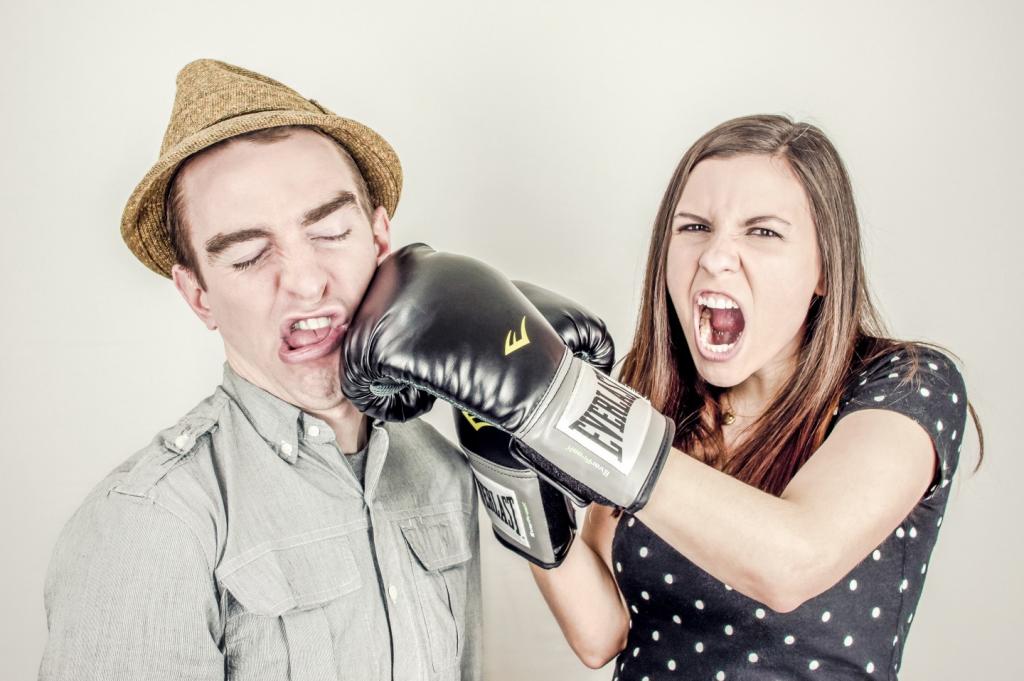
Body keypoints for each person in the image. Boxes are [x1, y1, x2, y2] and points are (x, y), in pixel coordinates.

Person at [338, 115, 983, 680]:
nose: (715, 257)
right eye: (695, 226)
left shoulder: (906, 384)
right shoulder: (654, 397)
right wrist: (501, 449)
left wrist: (563, 405)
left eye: (762, 232)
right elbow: (601, 634)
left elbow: (793, 561)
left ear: (824, 270)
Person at [39, 58, 481, 681]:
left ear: (381, 240)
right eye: (248, 255)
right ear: (198, 296)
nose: (304, 282)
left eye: (329, 231)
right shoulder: (149, 523)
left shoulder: (442, 470)